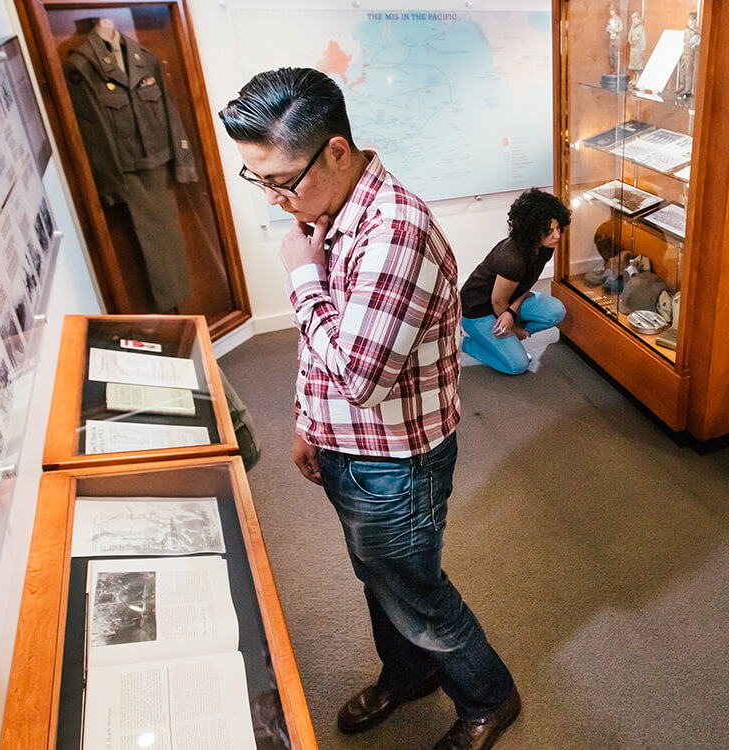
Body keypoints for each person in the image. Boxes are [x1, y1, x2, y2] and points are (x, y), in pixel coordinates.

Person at [218, 68, 519, 750]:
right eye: (256, 179)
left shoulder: (394, 233)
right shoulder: (324, 214)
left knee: (415, 588)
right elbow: (326, 343)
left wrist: (298, 272)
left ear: (336, 153)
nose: (271, 199)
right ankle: (409, 674)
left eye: (280, 180)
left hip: (394, 459)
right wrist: (307, 421)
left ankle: (488, 697)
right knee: (377, 575)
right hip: (347, 445)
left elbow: (358, 376)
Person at [458, 189, 569, 375]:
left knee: (556, 311)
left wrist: (511, 312)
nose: (557, 236)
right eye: (549, 231)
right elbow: (497, 301)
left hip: (505, 303)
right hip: (478, 311)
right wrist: (515, 328)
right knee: (517, 365)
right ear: (532, 230)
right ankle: (466, 343)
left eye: (558, 228)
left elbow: (526, 285)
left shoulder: (544, 247)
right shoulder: (513, 258)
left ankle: (502, 341)